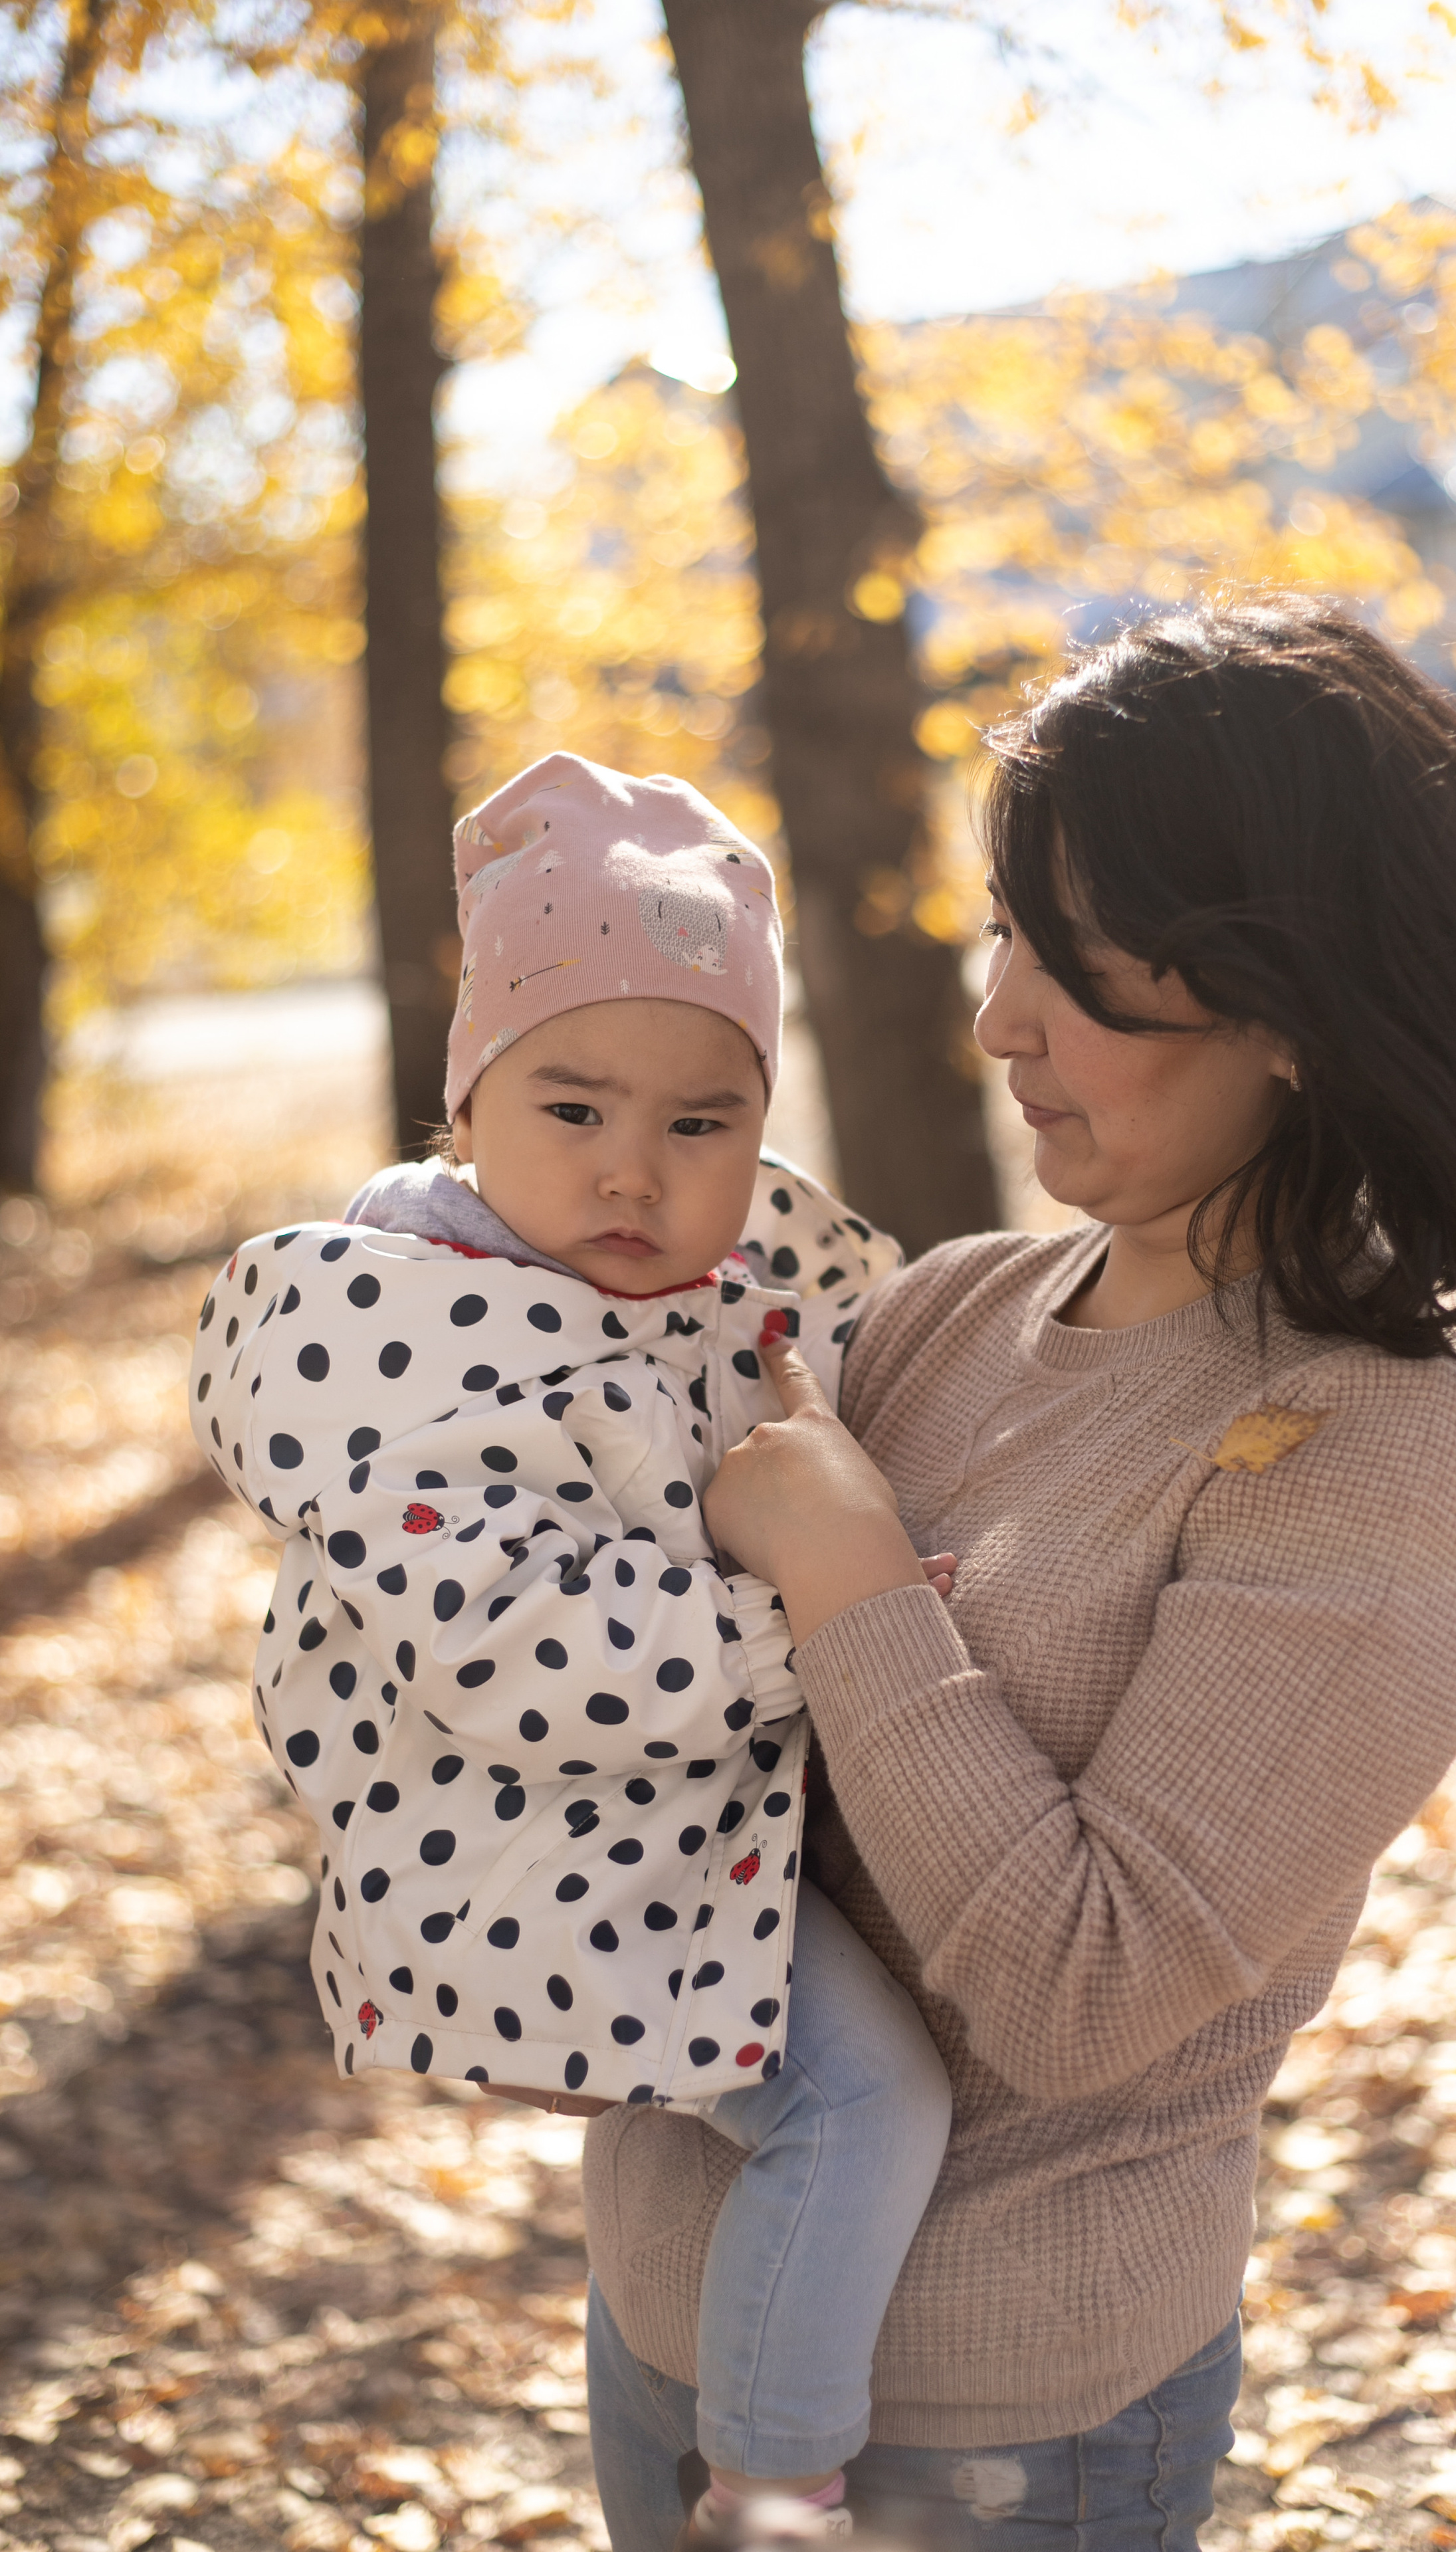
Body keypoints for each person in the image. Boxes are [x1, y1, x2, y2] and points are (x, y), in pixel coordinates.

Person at [579, 599, 1456, 2552]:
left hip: (985, 2441)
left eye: (1076, 964)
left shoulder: (1372, 1466)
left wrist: (855, 1576)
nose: (998, 1019)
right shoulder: (945, 1316)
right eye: (1004, 933)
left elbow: (1081, 1992)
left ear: (1291, 1002)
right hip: (657, 2335)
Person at [187, 754, 953, 2543]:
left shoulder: (699, 1262)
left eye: (701, 1125)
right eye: (574, 1106)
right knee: (863, 2095)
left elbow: (867, 1330)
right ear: (466, 1109)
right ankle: (774, 2480)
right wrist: (837, 1606)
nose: (634, 1169)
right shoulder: (403, 1336)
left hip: (641, 1814)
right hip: (511, 1860)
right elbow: (523, 1647)